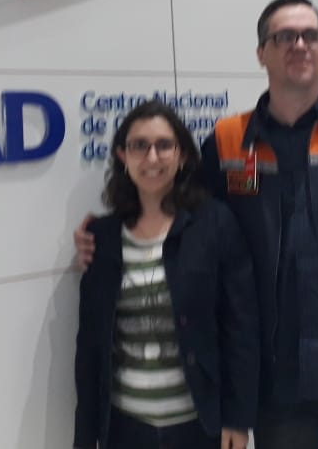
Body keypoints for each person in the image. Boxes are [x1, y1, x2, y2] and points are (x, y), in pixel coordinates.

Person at [76, 0, 318, 449]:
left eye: (311, 35)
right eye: (285, 37)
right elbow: (180, 210)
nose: (300, 45)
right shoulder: (228, 142)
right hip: (276, 379)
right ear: (261, 53)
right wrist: (107, 233)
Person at [73, 100, 259, 449]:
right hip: (126, 429)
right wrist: (85, 437)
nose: (152, 157)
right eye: (139, 146)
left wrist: (237, 418)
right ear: (122, 156)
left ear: (182, 155)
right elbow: (91, 348)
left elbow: (241, 328)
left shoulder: (214, 224)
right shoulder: (102, 237)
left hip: (199, 427)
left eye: (164, 145)